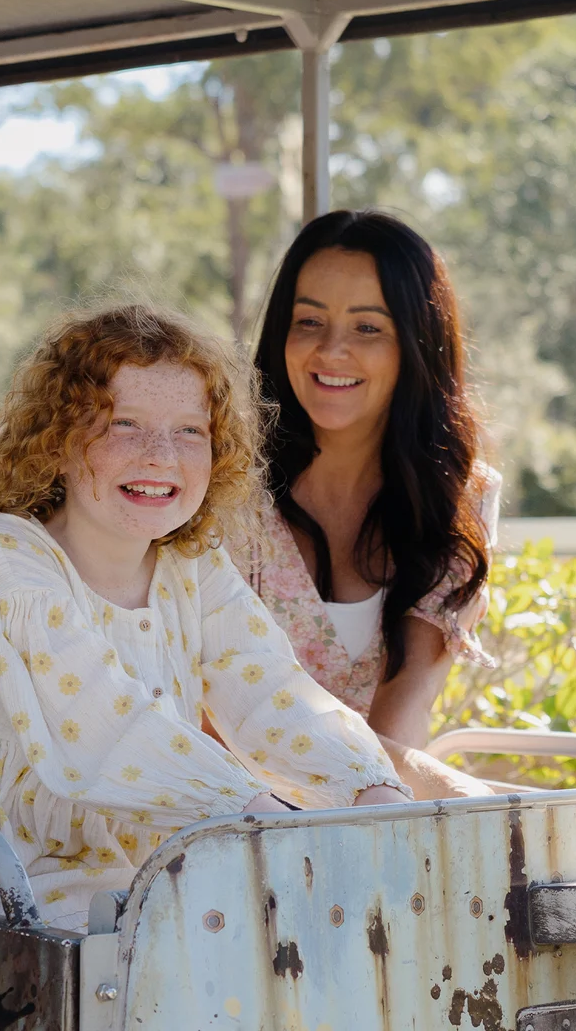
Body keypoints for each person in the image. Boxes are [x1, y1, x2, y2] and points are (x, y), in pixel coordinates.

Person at [0, 304, 407, 929]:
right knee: (187, 937)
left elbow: (270, 690)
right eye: (124, 424)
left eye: (191, 431)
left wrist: (367, 789)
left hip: (142, 861)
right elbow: (99, 724)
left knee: (310, 924)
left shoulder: (192, 566)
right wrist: (255, 812)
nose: (160, 455)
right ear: (56, 442)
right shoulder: (8, 554)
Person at [243, 210, 497, 797]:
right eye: (309, 321)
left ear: (416, 345)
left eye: (367, 328)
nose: (331, 351)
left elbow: (406, 699)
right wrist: (468, 796)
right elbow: (217, 719)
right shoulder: (224, 485)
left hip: (372, 811)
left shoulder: (460, 498)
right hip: (220, 824)